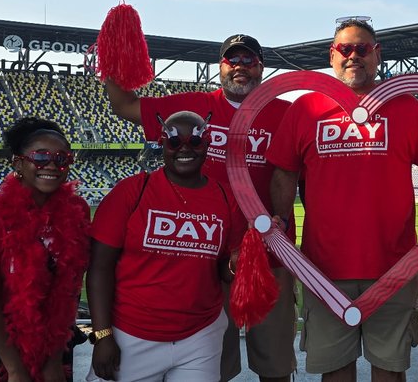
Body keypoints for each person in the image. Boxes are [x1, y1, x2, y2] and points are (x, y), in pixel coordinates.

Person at [104, 34, 296, 382]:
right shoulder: (192, 105)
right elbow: (124, 105)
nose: (240, 67)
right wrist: (116, 46)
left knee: (275, 365)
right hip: (206, 261)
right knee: (211, 368)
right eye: (231, 60)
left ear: (261, 67)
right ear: (220, 67)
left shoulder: (288, 113)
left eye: (248, 60)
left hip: (271, 257)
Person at [267, 18, 418, 382]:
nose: (354, 56)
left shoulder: (406, 107)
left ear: (377, 55)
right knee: (334, 371)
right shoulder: (305, 107)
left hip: (393, 266)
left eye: (362, 49)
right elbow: (284, 172)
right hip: (323, 270)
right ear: (331, 57)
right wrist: (281, 222)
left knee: (390, 369)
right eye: (345, 50)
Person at [86, 112, 244, 381]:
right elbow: (99, 268)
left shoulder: (225, 197)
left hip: (200, 335)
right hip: (131, 334)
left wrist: (239, 264)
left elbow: (222, 270)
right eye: (174, 142)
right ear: (162, 145)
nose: (184, 148)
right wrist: (103, 335)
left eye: (195, 141)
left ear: (207, 144)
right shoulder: (131, 192)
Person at [0, 117, 90, 382]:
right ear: (18, 163)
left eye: (61, 158)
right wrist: (15, 369)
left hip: (55, 342)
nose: (51, 165)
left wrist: (52, 360)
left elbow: (71, 288)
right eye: (40, 156)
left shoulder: (78, 211)